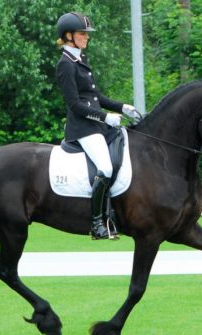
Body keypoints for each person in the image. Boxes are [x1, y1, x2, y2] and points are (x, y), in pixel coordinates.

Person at [55, 12, 138, 240]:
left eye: (86, 34)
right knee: (106, 168)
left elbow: (95, 96)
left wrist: (122, 108)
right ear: (68, 36)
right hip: (82, 129)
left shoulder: (80, 60)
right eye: (82, 34)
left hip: (96, 126)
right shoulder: (66, 65)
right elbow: (74, 104)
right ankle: (97, 223)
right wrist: (104, 117)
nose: (86, 37)